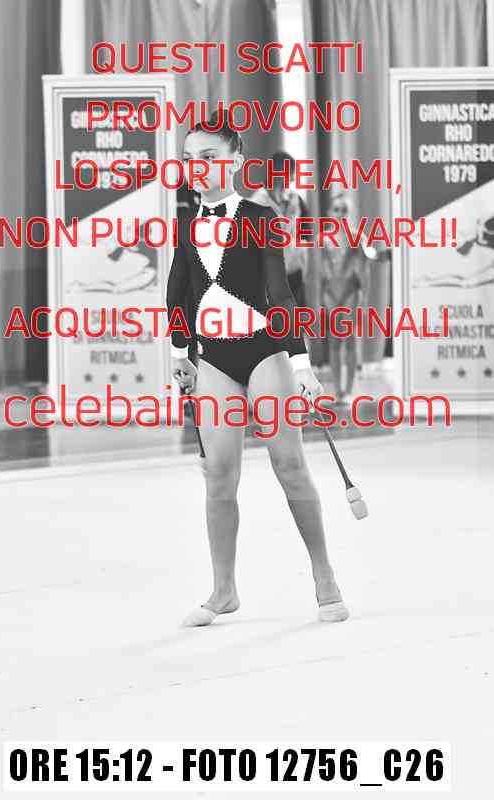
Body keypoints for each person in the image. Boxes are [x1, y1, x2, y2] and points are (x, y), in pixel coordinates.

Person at [166, 112, 349, 627]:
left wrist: (302, 364)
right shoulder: (186, 225)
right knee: (219, 474)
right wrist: (180, 354)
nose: (197, 167)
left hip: (265, 350)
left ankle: (324, 575)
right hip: (214, 358)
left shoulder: (260, 216)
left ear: (235, 161)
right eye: (189, 159)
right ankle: (223, 589)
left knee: (288, 463)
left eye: (209, 157)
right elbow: (178, 293)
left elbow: (280, 294)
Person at [321, 191, 385, 404]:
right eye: (336, 210)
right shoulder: (323, 238)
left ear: (349, 212)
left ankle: (348, 391)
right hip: (331, 293)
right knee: (333, 342)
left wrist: (363, 298)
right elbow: (320, 271)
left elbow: (367, 266)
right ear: (330, 212)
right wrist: (322, 297)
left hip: (350, 292)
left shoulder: (358, 237)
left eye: (344, 210)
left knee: (349, 341)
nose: (340, 214)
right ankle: (337, 390)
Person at [250, 151, 309, 309]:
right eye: (291, 174)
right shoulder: (255, 204)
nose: (293, 179)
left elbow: (307, 235)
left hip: (295, 275)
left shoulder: (296, 200)